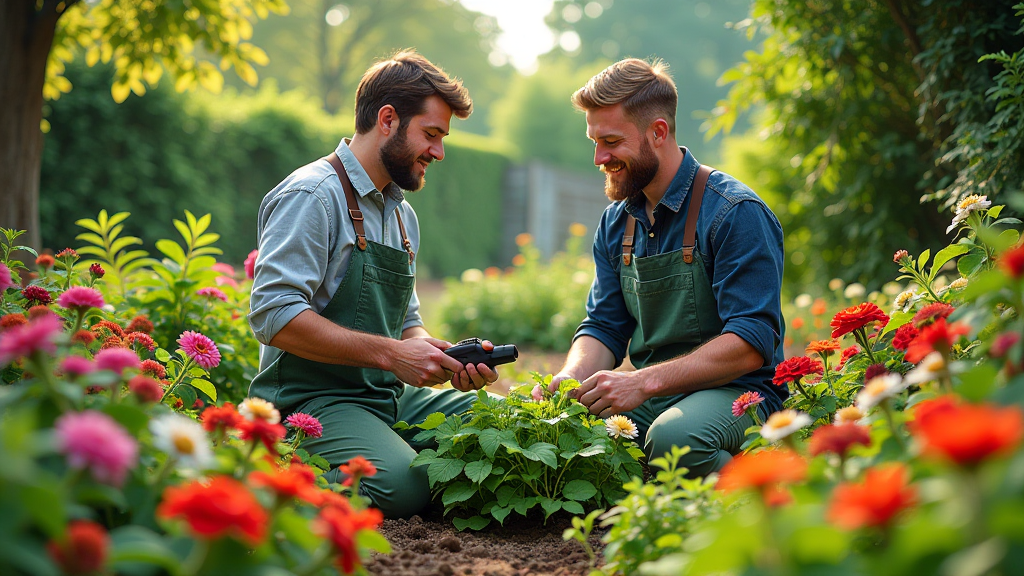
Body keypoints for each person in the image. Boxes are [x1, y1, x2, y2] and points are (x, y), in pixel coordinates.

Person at [247, 50, 498, 518]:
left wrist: (436, 356)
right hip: (309, 401)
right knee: (403, 487)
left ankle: (382, 442)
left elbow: (408, 322)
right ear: (387, 119)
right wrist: (392, 355)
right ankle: (272, 469)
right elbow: (273, 314)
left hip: (385, 395)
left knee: (501, 424)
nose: (439, 152)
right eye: (432, 134)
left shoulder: (401, 215)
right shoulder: (312, 196)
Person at [550, 58, 787, 477]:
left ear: (658, 132)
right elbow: (604, 325)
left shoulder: (734, 213)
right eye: (594, 141)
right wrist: (567, 382)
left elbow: (752, 341)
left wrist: (641, 382)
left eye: (610, 141)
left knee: (676, 441)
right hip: (655, 396)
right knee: (568, 438)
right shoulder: (616, 221)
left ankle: (767, 488)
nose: (598, 157)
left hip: (738, 393)